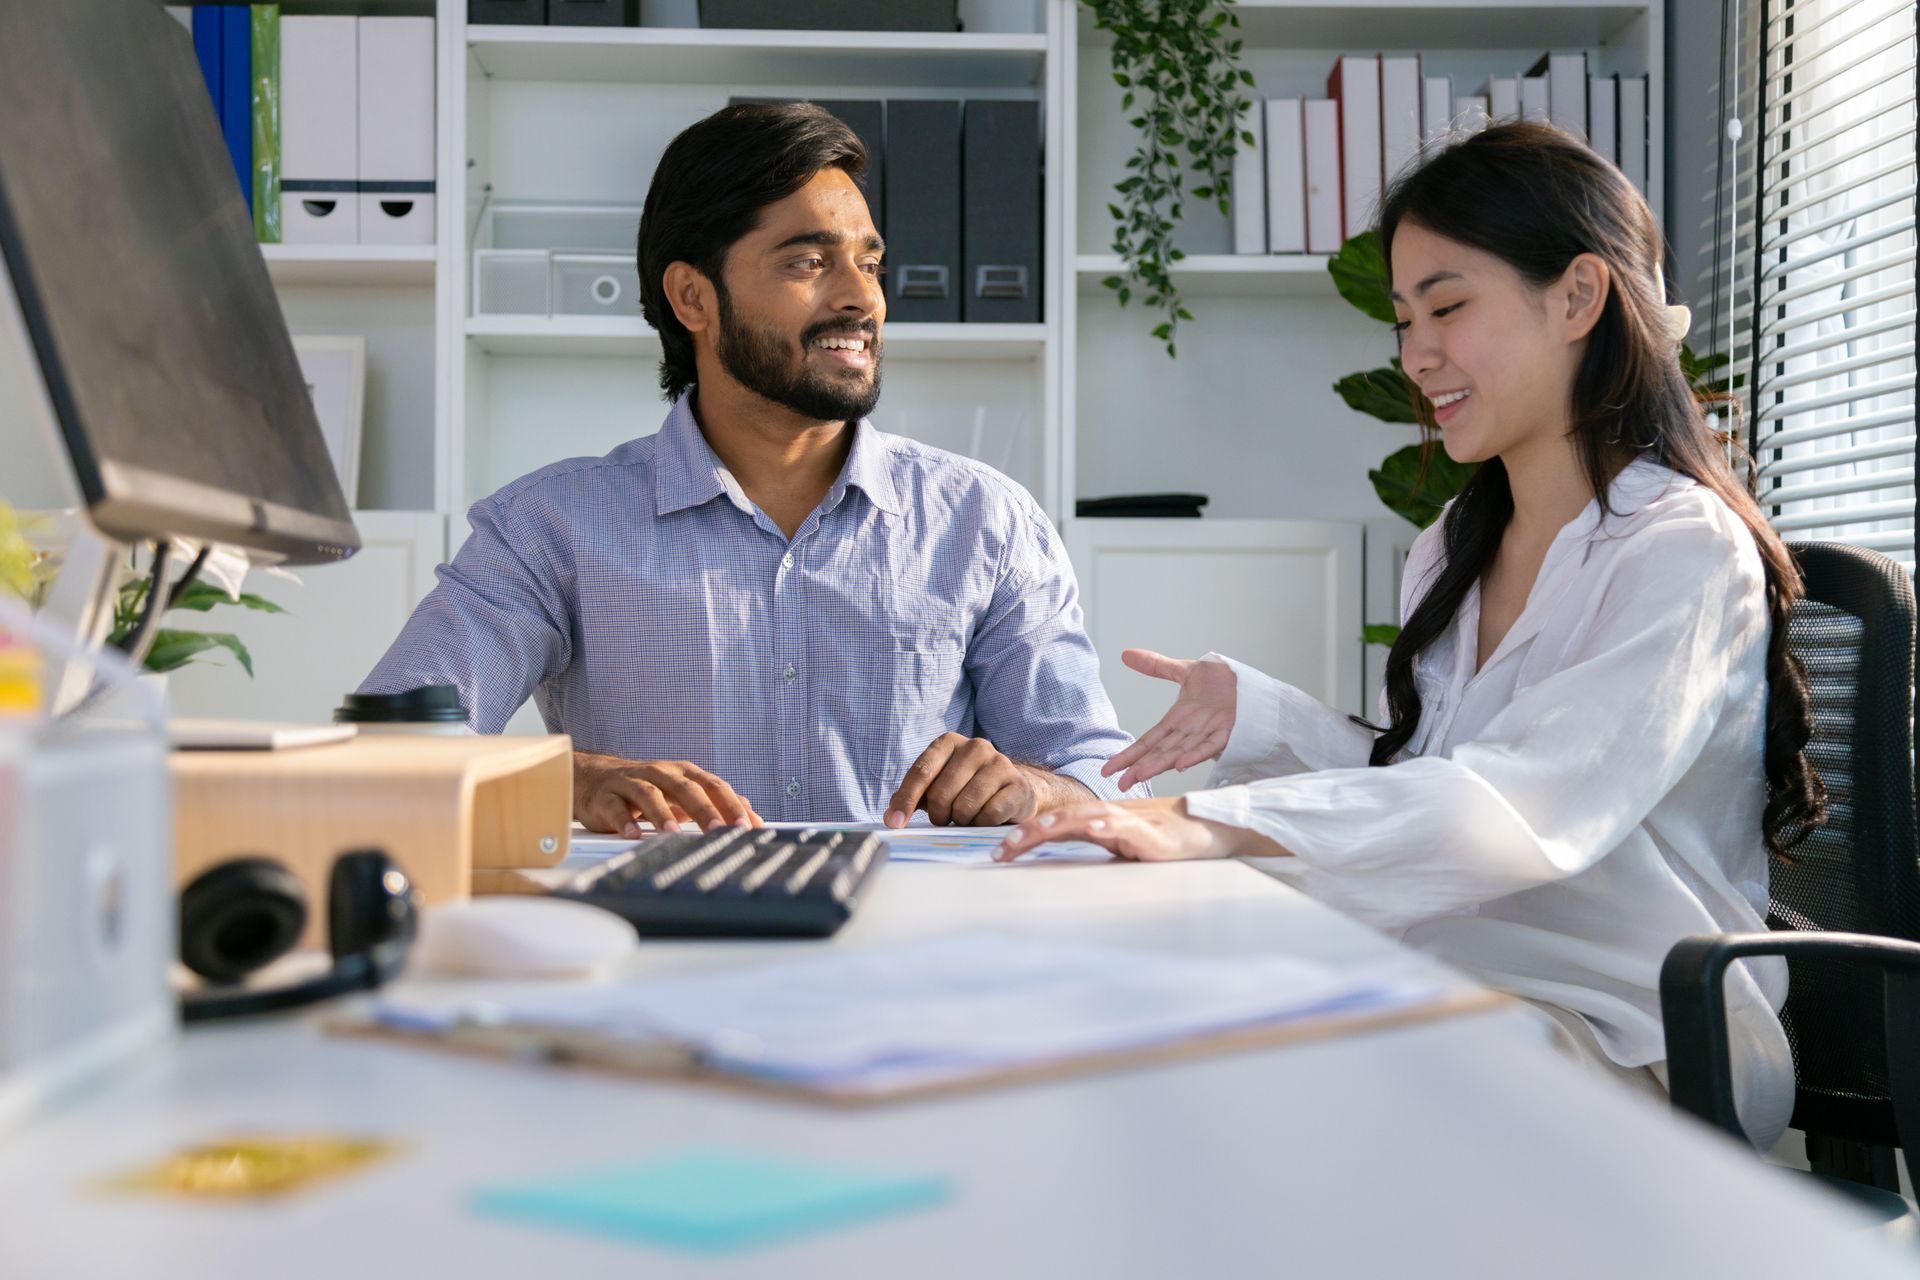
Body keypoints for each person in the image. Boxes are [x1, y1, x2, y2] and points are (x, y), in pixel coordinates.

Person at [998, 122, 1822, 1151]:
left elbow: (1519, 807)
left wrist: (1217, 824)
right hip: (1470, 977)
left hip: (1641, 1031)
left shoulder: (1680, 550)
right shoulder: (1452, 547)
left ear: (1577, 297)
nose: (1416, 352)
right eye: (1402, 319)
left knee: (1269, 1095)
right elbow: (1442, 777)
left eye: (1448, 305)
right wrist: (1259, 713)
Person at [360, 103, 1139, 834]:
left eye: (869, 263)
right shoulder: (552, 527)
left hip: (916, 954)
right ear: (692, 296)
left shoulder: (985, 522)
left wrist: (1032, 788)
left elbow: (1099, 776)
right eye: (808, 262)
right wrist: (565, 780)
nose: (860, 299)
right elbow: (386, 743)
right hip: (662, 953)